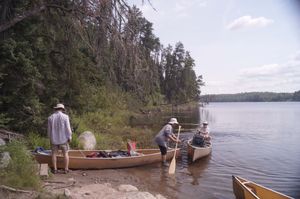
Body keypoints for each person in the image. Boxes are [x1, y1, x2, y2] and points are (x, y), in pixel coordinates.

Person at [48, 103, 72, 174]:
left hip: (54, 140)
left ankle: (55, 169)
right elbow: (68, 129)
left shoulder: (50, 117)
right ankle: (66, 169)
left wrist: (50, 137)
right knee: (65, 154)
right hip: (63, 139)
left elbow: (49, 130)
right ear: (62, 109)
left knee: (54, 154)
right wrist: (69, 137)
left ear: (56, 109)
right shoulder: (65, 117)